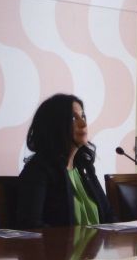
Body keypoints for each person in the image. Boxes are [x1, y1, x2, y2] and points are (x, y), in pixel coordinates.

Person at [16, 93, 113, 229]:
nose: (83, 124)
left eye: (83, 116)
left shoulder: (84, 167)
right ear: (55, 125)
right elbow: (32, 225)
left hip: (99, 243)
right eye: (74, 118)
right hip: (61, 244)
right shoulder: (38, 170)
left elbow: (108, 216)